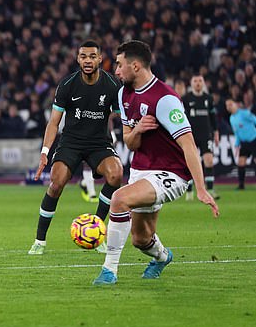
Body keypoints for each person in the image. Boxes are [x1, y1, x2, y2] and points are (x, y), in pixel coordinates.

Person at [93, 40, 219, 286]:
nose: (116, 71)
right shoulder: (123, 94)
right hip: (141, 170)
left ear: (136, 66)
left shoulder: (165, 99)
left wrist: (201, 188)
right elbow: (130, 143)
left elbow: (188, 144)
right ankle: (162, 257)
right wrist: (138, 129)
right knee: (141, 239)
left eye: (120, 65)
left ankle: (109, 271)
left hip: (171, 173)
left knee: (118, 199)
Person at [29, 40, 123, 255]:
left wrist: (125, 133)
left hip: (99, 143)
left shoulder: (112, 85)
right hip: (71, 142)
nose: (87, 60)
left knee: (116, 174)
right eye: (83, 56)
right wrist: (45, 153)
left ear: (100, 59)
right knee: (56, 182)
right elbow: (53, 122)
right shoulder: (67, 85)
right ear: (78, 59)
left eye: (92, 56)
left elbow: (122, 117)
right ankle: (39, 241)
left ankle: (96, 230)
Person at [182, 74, 220, 200]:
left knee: (208, 161)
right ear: (191, 84)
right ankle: (189, 191)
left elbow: (213, 117)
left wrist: (215, 132)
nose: (198, 83)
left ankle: (210, 189)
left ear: (203, 83)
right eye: (195, 81)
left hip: (206, 134)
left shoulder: (208, 98)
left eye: (200, 81)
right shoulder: (186, 99)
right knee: (190, 161)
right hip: (190, 135)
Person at [225, 99, 256, 190]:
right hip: (244, 143)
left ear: (236, 105)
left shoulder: (244, 113)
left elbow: (255, 119)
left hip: (254, 140)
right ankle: (241, 185)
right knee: (241, 163)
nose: (229, 107)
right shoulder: (231, 118)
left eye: (230, 104)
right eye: (227, 105)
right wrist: (236, 144)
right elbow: (237, 133)